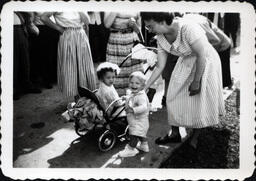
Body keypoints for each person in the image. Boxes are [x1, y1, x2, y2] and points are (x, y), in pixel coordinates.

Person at [141, 12, 225, 148]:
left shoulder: (187, 28)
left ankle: (196, 136)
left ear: (162, 21)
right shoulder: (161, 37)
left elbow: (201, 55)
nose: (149, 30)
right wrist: (146, 86)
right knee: (171, 97)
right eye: (147, 28)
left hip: (204, 62)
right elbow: (160, 65)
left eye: (150, 26)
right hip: (185, 62)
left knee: (198, 100)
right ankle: (174, 134)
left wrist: (196, 81)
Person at [41, 12, 97, 98]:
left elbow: (87, 21)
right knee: (71, 67)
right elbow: (44, 18)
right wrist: (58, 28)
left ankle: (86, 96)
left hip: (81, 34)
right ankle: (77, 98)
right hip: (68, 35)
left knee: (84, 66)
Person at [104, 12, 144, 96]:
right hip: (116, 42)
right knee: (116, 73)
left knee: (134, 73)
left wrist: (134, 25)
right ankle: (117, 101)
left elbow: (139, 31)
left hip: (131, 42)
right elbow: (107, 24)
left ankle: (135, 100)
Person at [118, 71, 150, 157]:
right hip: (138, 121)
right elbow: (132, 97)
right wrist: (126, 98)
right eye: (131, 82)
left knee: (134, 135)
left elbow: (143, 107)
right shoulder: (135, 93)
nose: (133, 85)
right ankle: (144, 146)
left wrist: (133, 110)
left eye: (137, 83)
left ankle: (131, 149)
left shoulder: (141, 96)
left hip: (138, 121)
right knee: (141, 134)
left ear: (143, 86)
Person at [13, 12, 41, 100]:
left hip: (21, 27)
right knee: (13, 61)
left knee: (25, 59)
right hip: (10, 28)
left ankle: (26, 84)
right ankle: (13, 89)